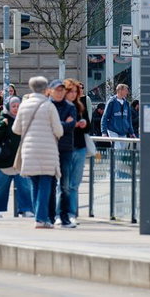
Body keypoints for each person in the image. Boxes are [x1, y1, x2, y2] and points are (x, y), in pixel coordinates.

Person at [14, 76, 64, 229]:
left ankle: (38, 217)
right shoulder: (49, 106)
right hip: (47, 151)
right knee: (45, 185)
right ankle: (42, 218)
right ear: (45, 89)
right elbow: (58, 130)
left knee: (35, 184)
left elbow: (16, 129)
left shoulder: (24, 106)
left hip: (29, 150)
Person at [0, 96, 33, 219]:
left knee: (25, 187)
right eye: (13, 106)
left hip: (20, 161)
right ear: (8, 107)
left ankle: (26, 209)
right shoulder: (2, 119)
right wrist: (2, 125)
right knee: (1, 187)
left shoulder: (24, 120)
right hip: (4, 161)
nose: (16, 109)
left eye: (18, 106)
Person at [57, 79, 89, 227]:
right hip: (65, 148)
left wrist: (82, 124)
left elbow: (89, 127)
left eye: (76, 92)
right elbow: (58, 127)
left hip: (80, 146)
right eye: (71, 91)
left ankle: (71, 214)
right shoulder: (59, 106)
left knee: (74, 184)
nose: (73, 94)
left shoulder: (80, 106)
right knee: (63, 183)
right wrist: (73, 124)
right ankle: (59, 213)